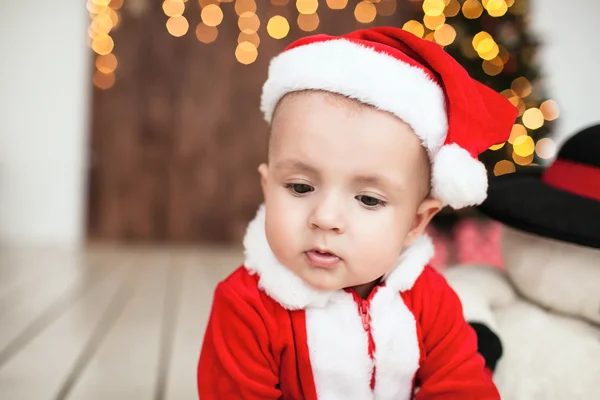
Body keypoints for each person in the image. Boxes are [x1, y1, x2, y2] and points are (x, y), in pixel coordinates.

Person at [197, 26, 517, 399]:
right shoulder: (246, 308)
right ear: (268, 187)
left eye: (368, 199)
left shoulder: (431, 302)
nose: (326, 218)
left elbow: (464, 390)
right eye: (300, 187)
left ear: (416, 222)